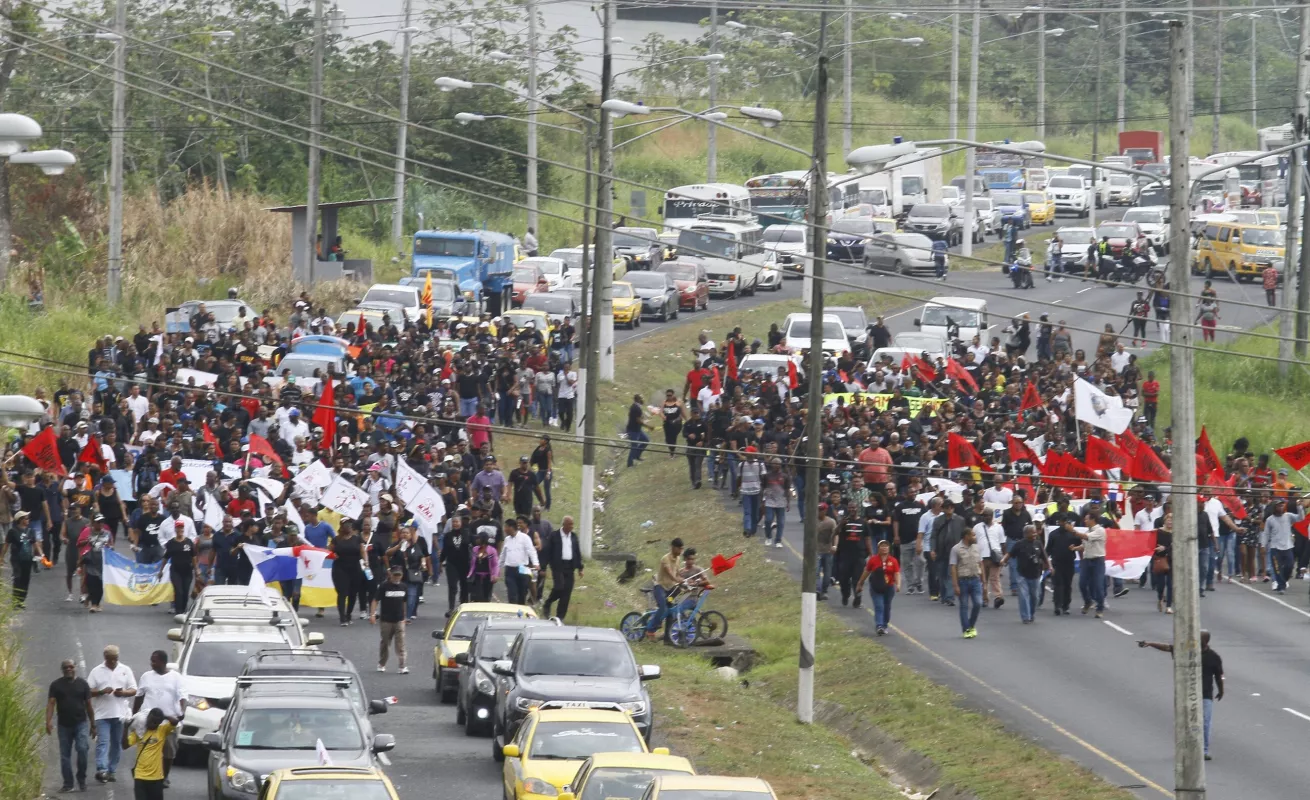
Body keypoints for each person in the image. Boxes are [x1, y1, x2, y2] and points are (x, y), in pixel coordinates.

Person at [1139, 632, 1223, 760]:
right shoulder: (1187, 651)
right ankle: (1184, 748)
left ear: (1206, 641)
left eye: (1199, 638)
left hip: (1205, 694)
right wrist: (1150, 644)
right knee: (1185, 722)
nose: (1195, 640)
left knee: (1205, 722)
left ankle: (1204, 750)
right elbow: (1168, 648)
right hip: (1187, 693)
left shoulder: (1213, 657)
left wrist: (1221, 690)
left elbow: (1218, 676)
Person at [133, 651, 184, 786]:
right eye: (151, 661)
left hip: (168, 723)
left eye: (154, 661)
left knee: (169, 753)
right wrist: (134, 715)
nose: (152, 664)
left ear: (163, 662)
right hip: (149, 722)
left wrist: (181, 713)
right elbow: (139, 696)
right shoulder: (146, 676)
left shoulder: (176, 677)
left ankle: (164, 776)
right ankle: (146, 775)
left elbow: (183, 696)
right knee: (148, 750)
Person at [87, 644, 137, 783]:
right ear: (105, 658)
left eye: (115, 659)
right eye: (110, 659)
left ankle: (112, 770)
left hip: (120, 714)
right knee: (103, 742)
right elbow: (88, 692)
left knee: (116, 743)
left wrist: (123, 693)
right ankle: (101, 770)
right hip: (102, 714)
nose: (113, 662)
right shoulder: (96, 671)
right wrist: (102, 691)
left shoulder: (125, 670)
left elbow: (134, 689)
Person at [47, 659, 95, 793]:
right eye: (65, 667)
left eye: (70, 666)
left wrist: (93, 724)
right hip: (63, 725)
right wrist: (48, 721)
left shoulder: (83, 684)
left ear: (75, 668)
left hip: (81, 723)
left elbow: (89, 705)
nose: (68, 669)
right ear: (62, 670)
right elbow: (51, 703)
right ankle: (68, 783)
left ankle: (81, 779)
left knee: (82, 749)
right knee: (64, 755)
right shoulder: (56, 685)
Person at [1000, 524, 1049, 624]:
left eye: (1035, 531)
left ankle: (1031, 614)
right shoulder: (1019, 544)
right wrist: (1003, 560)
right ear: (1026, 534)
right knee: (1023, 595)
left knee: (1035, 596)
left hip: (1035, 574)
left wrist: (1050, 567)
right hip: (1022, 574)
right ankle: (1025, 617)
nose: (1035, 534)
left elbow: (1044, 556)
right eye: (1032, 532)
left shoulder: (1038, 543)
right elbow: (1010, 554)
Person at [123, 708, 176, 800]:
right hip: (140, 776)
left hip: (157, 778)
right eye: (151, 721)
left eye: (156, 722)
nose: (153, 724)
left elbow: (175, 721)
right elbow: (124, 746)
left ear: (160, 722)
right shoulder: (139, 732)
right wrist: (125, 728)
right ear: (147, 718)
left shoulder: (162, 730)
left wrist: (164, 716)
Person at [855, 539, 900, 635]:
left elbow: (896, 573)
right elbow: (866, 572)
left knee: (887, 607)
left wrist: (898, 584)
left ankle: (884, 624)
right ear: (878, 548)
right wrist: (860, 583)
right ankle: (879, 625)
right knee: (879, 606)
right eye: (882, 546)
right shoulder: (873, 560)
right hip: (876, 587)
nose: (884, 548)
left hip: (889, 587)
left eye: (886, 546)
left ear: (889, 548)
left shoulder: (893, 560)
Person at [542, 515, 583, 620]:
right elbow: (547, 552)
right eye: (570, 524)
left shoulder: (573, 537)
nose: (572, 526)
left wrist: (580, 568)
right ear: (564, 524)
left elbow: (577, 552)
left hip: (570, 567)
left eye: (572, 524)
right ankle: (548, 603)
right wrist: (543, 567)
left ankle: (560, 617)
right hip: (558, 567)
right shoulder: (554, 536)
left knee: (566, 593)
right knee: (559, 588)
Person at [370, 566, 409, 674]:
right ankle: (382, 663)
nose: (397, 577)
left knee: (401, 643)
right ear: (390, 574)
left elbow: (404, 602)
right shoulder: (384, 586)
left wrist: (405, 617)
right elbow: (375, 600)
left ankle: (402, 666)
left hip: (399, 620)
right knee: (385, 643)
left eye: (399, 575)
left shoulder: (404, 587)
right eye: (395, 575)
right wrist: (372, 614)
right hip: (386, 620)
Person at [3, 510, 44, 607]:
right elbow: (6, 544)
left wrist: (41, 555)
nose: (28, 520)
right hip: (16, 558)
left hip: (27, 559)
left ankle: (21, 600)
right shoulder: (12, 531)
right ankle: (15, 600)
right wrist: (1, 557)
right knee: (17, 578)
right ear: (20, 520)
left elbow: (35, 544)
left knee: (25, 579)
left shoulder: (31, 531)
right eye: (26, 518)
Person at [645, 538, 683, 641]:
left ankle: (668, 637)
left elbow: (678, 573)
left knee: (671, 610)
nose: (681, 551)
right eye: (679, 548)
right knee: (663, 608)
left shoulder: (678, 559)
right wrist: (677, 580)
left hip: (670, 589)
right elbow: (670, 573)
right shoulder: (665, 559)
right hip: (660, 587)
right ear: (673, 547)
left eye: (682, 549)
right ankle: (650, 630)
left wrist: (685, 581)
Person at [950, 525, 983, 638]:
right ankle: (966, 629)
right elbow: (953, 567)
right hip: (963, 581)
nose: (975, 536)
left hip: (975, 579)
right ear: (966, 536)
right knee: (964, 605)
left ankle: (971, 625)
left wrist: (984, 581)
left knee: (978, 603)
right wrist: (955, 585)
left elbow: (980, 563)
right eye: (973, 535)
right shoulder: (956, 549)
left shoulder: (977, 547)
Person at [1073, 510, 1108, 617]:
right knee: (1082, 584)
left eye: (1087, 519)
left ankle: (1100, 608)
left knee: (1098, 585)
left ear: (1093, 520)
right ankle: (1088, 601)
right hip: (1087, 560)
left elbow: (1086, 537)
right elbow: (1085, 545)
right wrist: (1075, 548)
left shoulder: (1100, 530)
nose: (1085, 521)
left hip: (1098, 560)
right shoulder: (1088, 531)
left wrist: (1072, 530)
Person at [500, 518, 539, 605]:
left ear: (511, 527)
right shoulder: (507, 539)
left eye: (506, 527)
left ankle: (521, 615)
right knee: (512, 594)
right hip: (510, 570)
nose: (504, 529)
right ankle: (513, 614)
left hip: (522, 569)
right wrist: (498, 568)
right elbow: (503, 555)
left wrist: (536, 563)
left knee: (522, 594)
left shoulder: (525, 538)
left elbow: (531, 551)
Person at [160, 522, 195, 616]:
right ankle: (178, 610)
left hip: (187, 571)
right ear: (175, 529)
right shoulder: (171, 543)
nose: (180, 530)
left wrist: (197, 569)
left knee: (185, 590)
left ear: (183, 529)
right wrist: (161, 571)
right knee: (178, 590)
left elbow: (193, 556)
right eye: (178, 528)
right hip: (175, 571)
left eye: (181, 528)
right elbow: (166, 557)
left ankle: (184, 610)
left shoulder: (189, 542)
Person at [467, 531, 500, 602]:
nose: (476, 540)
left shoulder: (492, 550)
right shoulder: (475, 549)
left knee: (486, 597)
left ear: (483, 539)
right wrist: (469, 574)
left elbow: (495, 564)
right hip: (476, 577)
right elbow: (472, 563)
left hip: (488, 577)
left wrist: (495, 575)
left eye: (478, 538)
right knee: (476, 597)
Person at [626, 394, 653, 467]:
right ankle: (630, 464)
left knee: (646, 440)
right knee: (634, 446)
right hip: (633, 430)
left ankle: (637, 456)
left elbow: (637, 418)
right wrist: (648, 427)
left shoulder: (635, 406)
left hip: (637, 429)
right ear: (638, 400)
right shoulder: (636, 408)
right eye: (642, 398)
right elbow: (638, 420)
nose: (643, 400)